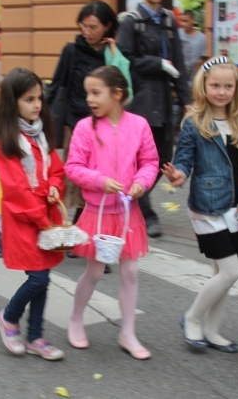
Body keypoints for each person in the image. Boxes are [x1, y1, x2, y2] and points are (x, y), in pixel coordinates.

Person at [161, 56, 238, 351]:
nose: (221, 91)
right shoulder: (194, 124)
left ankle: (213, 330)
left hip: (236, 205)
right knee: (231, 272)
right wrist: (178, 175)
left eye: (228, 86)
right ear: (203, 86)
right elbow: (184, 161)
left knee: (220, 274)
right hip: (207, 207)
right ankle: (192, 318)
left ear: (236, 88)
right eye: (215, 85)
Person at [65, 65, 158, 360]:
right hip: (97, 211)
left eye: (96, 92)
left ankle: (128, 332)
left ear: (117, 94)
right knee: (94, 271)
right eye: (87, 93)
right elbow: (73, 167)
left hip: (128, 213)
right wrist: (99, 181)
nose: (90, 99)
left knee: (130, 272)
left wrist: (142, 183)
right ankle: (76, 319)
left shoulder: (139, 125)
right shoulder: (84, 128)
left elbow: (150, 161)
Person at [46, 0, 130, 271]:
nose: (87, 31)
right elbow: (57, 84)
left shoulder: (112, 54)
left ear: (107, 27)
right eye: (84, 26)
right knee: (81, 180)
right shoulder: (72, 50)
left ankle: (89, 239)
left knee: (101, 179)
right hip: (77, 124)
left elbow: (125, 87)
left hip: (106, 127)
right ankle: (85, 239)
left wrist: (115, 55)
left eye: (93, 27)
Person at [0, 67, 66, 361]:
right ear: (13, 103)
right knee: (37, 278)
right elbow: (16, 190)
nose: (37, 104)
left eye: (39, 98)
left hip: (44, 215)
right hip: (25, 220)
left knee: (43, 276)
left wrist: (56, 187)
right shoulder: (6, 142)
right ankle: (9, 318)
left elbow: (56, 169)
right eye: (29, 99)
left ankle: (36, 336)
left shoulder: (42, 135)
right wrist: (41, 219)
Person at [117, 0, 191, 238]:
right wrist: (157, 63)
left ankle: (134, 199)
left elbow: (179, 63)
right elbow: (125, 60)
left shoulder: (169, 19)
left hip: (164, 100)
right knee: (140, 159)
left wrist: (187, 101)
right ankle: (146, 213)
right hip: (141, 100)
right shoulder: (132, 21)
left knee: (163, 158)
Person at [178, 10, 207, 89]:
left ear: (192, 21)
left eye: (185, 21)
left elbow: (202, 59)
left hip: (193, 76)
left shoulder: (201, 38)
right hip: (179, 74)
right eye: (181, 20)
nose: (183, 24)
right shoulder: (177, 34)